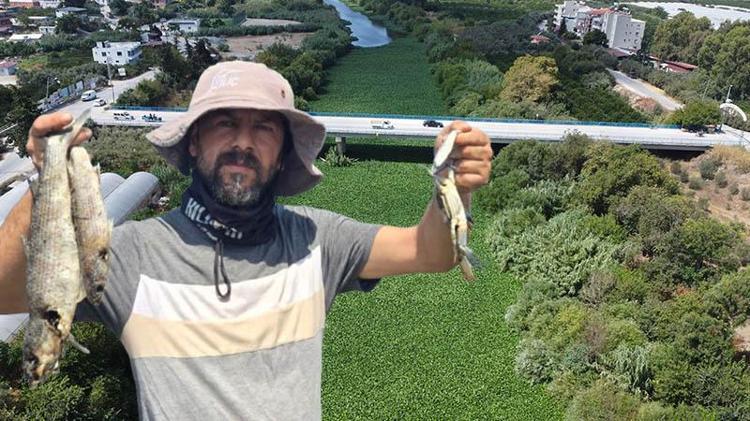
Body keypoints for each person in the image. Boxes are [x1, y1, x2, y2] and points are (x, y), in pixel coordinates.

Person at [0, 61, 492, 419]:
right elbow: (5, 293)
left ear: (283, 153)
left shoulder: (318, 240)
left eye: (264, 128)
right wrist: (46, 179)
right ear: (194, 141)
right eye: (225, 123)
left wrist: (454, 185)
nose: (243, 141)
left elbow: (428, 252)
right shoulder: (130, 255)